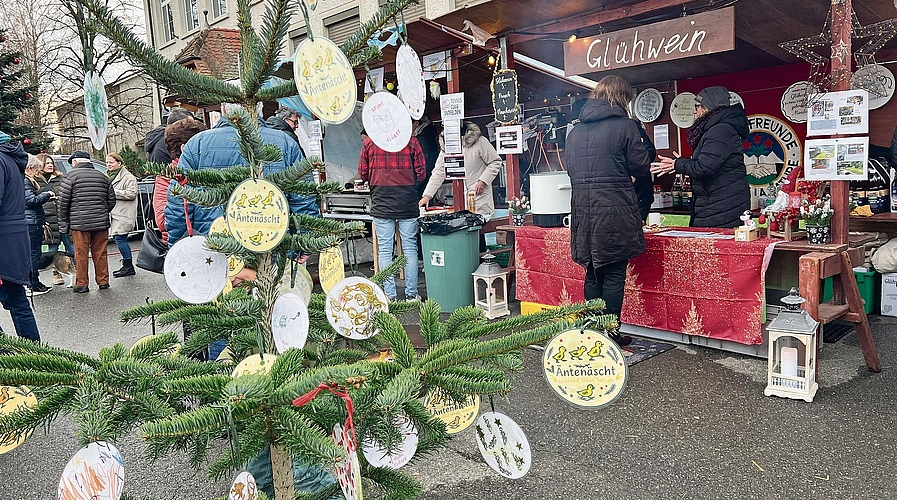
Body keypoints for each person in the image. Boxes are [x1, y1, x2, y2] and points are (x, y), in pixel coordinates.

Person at [565, 75, 653, 347]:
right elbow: (640, 166)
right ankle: (611, 335)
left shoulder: (574, 132)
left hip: (583, 210)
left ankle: (593, 333)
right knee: (614, 273)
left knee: (592, 271)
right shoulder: (626, 127)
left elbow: (570, 168)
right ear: (622, 99)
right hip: (614, 208)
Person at [164, 103, 318, 249]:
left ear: (223, 109)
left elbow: (179, 202)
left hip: (215, 248)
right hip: (273, 245)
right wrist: (304, 242)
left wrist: (179, 247)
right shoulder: (285, 142)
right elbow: (303, 195)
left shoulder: (196, 144)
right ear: (259, 108)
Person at [651, 86, 751, 228]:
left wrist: (677, 164)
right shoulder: (719, 129)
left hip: (720, 208)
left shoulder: (721, 130)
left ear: (708, 107)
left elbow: (704, 168)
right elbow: (709, 163)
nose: (694, 111)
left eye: (697, 106)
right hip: (716, 205)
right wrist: (683, 163)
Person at [358, 134, 426, 301]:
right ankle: (411, 294)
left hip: (381, 200)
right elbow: (421, 173)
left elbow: (363, 173)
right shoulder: (411, 141)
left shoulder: (369, 142)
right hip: (407, 200)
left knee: (385, 250)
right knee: (410, 247)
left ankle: (390, 295)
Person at [0, 131, 41, 342]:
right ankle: (36, 356)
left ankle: (17, 356)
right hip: (13, 238)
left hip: (4, 242)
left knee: (16, 302)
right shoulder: (9, 157)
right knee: (17, 302)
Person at [57, 150, 116, 293]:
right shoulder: (103, 177)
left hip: (79, 223)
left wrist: (63, 223)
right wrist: (101, 211)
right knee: (101, 253)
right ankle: (103, 282)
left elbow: (63, 202)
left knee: (81, 254)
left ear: (75, 162)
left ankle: (82, 284)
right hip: (101, 223)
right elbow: (112, 201)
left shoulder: (70, 176)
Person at [419, 121, 502, 221]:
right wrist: (427, 195)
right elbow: (439, 172)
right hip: (459, 204)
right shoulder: (447, 147)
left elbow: (496, 161)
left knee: (480, 233)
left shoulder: (480, 141)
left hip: (479, 200)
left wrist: (483, 180)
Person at [36, 154, 74, 283]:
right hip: (48, 220)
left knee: (72, 247)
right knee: (52, 247)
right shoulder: (35, 181)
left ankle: (79, 272)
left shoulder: (61, 178)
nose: (50, 165)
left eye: (51, 163)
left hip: (62, 218)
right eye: (46, 163)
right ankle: (56, 274)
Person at [23, 155, 55, 295]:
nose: (37, 173)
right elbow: (31, 200)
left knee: (30, 254)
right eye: (36, 170)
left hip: (28, 221)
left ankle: (31, 282)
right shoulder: (26, 181)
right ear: (29, 169)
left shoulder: (22, 180)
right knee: (34, 255)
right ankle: (33, 284)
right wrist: (47, 194)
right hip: (32, 222)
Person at [106, 153, 138, 277]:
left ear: (119, 163)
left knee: (120, 238)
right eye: (107, 162)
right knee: (118, 238)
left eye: (111, 162)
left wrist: (113, 192)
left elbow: (131, 193)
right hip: (114, 213)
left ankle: (128, 266)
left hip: (124, 213)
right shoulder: (106, 176)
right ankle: (126, 264)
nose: (108, 165)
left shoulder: (128, 177)